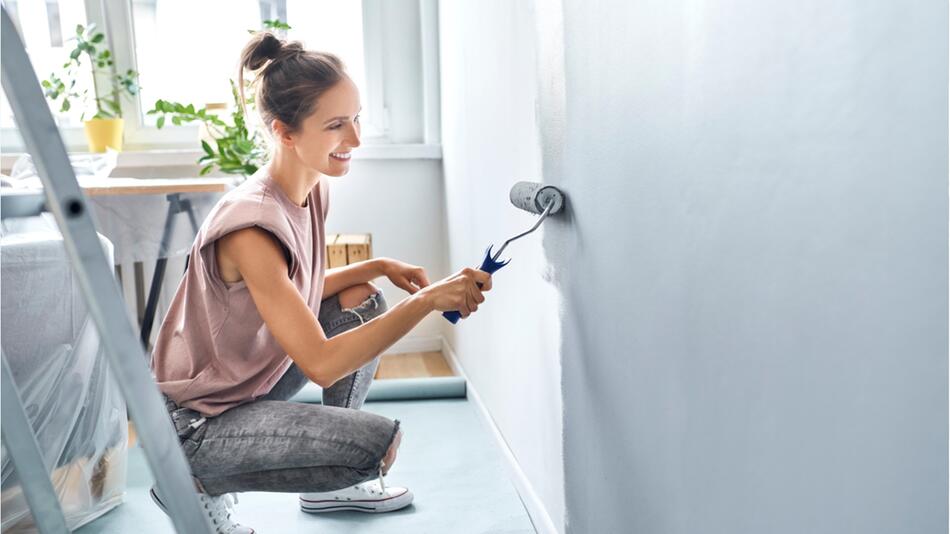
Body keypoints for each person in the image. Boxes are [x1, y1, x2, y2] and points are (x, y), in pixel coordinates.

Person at [147, 31, 492, 533]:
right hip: (194, 424)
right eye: (336, 125)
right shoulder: (250, 226)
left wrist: (377, 267)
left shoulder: (309, 191)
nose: (355, 139)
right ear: (285, 132)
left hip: (240, 386)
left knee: (360, 298)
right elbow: (323, 365)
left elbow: (295, 292)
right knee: (370, 446)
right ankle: (193, 482)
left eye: (356, 118)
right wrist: (427, 301)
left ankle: (330, 494)